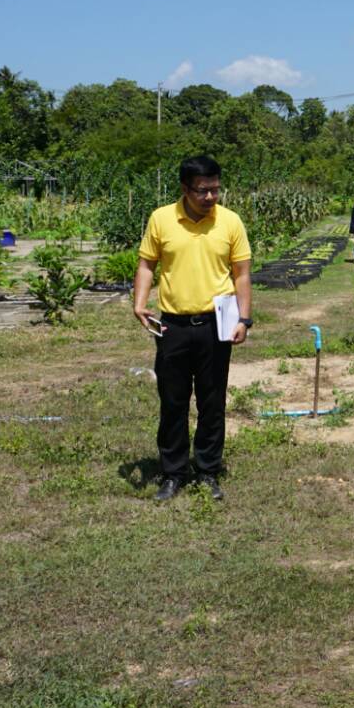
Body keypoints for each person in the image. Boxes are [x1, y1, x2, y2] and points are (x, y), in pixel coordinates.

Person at [133, 155, 253, 503]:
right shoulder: (162, 219)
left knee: (212, 402)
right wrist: (139, 303)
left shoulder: (230, 222)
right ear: (185, 189)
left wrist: (244, 319)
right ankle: (173, 473)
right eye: (203, 191)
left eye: (216, 189)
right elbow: (146, 265)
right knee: (173, 402)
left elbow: (242, 273)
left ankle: (207, 472)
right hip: (173, 325)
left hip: (218, 323)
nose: (211, 197)